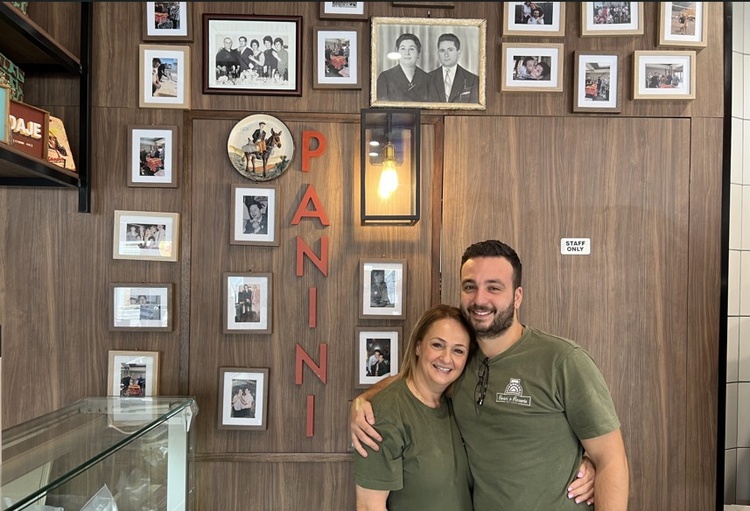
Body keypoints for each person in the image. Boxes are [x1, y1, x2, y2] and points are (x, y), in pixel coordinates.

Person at [352, 240, 628, 510]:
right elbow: (415, 380)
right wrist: (363, 401)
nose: (480, 299)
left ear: (517, 296)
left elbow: (611, 460)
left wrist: (589, 462)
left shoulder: (562, 361)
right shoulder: (461, 361)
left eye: (493, 287)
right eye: (470, 287)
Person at [355, 304, 474, 510]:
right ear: (418, 346)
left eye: (458, 350)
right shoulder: (385, 412)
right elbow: (368, 506)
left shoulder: (457, 403)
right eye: (437, 345)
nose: (447, 358)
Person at [375, 33, 430, 102]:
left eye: (411, 49)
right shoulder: (385, 78)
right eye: (403, 49)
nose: (407, 53)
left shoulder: (428, 79)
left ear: (418, 53)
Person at [426, 33, 479, 104]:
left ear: (458, 53)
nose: (446, 55)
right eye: (442, 50)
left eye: (450, 50)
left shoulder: (473, 80)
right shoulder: (427, 79)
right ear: (438, 54)